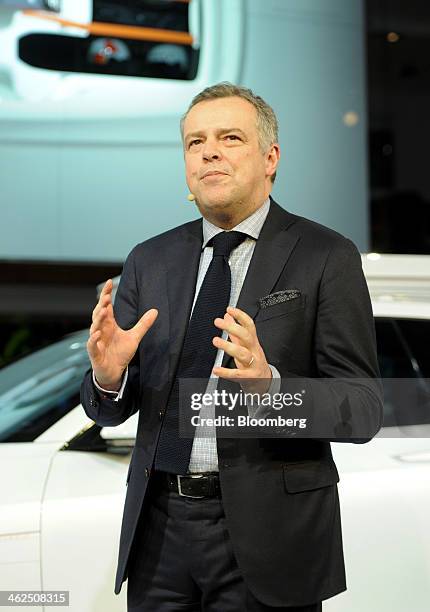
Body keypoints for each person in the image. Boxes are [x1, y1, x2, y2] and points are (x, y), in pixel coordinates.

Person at [81, 82, 383, 611]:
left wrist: (271, 389)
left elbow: (362, 408)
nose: (209, 151)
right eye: (195, 142)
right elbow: (111, 408)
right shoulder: (150, 260)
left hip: (268, 536)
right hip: (159, 533)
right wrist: (109, 377)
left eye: (230, 137)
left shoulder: (325, 255)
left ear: (270, 158)